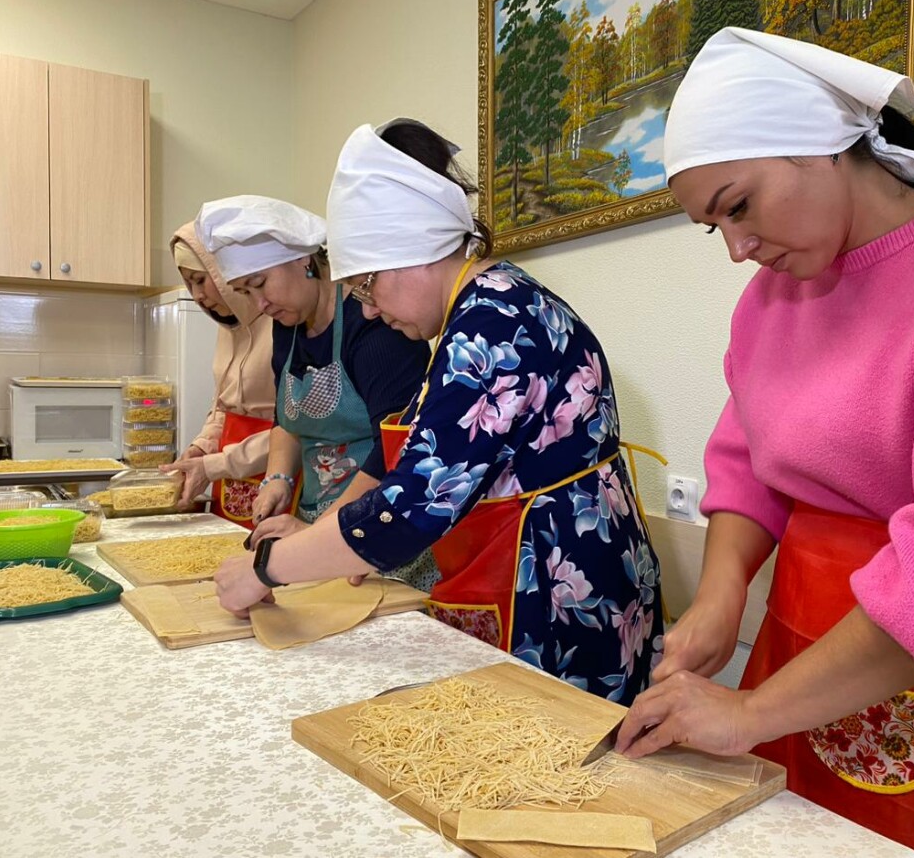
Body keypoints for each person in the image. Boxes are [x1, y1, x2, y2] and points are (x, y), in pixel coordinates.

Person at [612, 28, 914, 858]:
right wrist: (723, 591)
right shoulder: (774, 299)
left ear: (824, 146)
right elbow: (748, 458)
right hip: (807, 647)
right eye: (714, 229)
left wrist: (748, 712)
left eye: (739, 206)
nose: (738, 249)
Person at [218, 119, 664, 704]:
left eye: (369, 285)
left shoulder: (493, 324)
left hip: (559, 586)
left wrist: (268, 568)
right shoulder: (490, 303)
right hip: (554, 564)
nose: (370, 311)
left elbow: (414, 505)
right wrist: (330, 542)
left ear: (418, 250)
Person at [194, 196, 431, 538]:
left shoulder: (374, 324)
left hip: (382, 527)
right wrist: (278, 479)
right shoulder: (288, 325)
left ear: (303, 258)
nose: (259, 304)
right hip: (316, 521)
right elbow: (286, 421)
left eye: (260, 283)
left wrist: (318, 537)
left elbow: (397, 449)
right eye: (244, 292)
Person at [161, 224, 276, 529]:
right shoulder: (229, 329)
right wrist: (202, 447)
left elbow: (296, 429)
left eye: (201, 280)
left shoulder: (282, 322)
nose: (198, 296)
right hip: (229, 473)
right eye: (189, 285)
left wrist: (215, 463)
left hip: (278, 471)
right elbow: (223, 407)